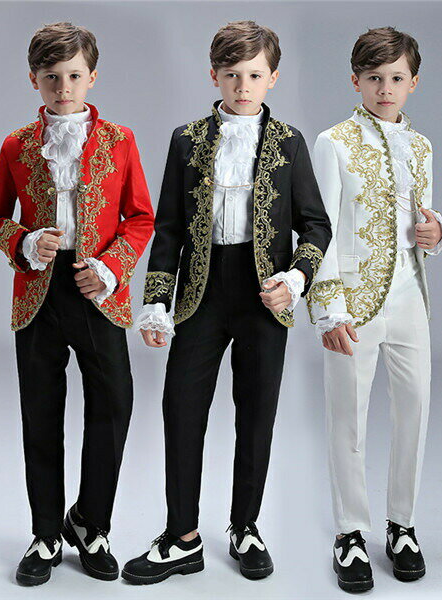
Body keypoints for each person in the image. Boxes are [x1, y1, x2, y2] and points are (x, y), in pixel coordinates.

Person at [121, 20, 332, 584]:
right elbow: (168, 228)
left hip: (264, 295)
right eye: (232, 74)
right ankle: (181, 536)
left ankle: (245, 526)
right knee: (181, 409)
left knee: (256, 413)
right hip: (200, 292)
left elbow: (315, 225)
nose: (243, 86)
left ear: (273, 78)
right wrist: (157, 301)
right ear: (213, 75)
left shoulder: (289, 142)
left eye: (255, 75)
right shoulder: (186, 139)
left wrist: (296, 278)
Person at [0, 21, 154, 586]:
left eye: (74, 76)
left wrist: (110, 267)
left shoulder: (120, 140)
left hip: (96, 288)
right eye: (51, 77)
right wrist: (25, 241)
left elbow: (140, 217)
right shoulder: (16, 144)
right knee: (41, 411)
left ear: (92, 77)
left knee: (115, 403)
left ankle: (90, 522)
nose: (63, 87)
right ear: (34, 79)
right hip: (38, 292)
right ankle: (45, 533)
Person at [307, 26, 442, 593]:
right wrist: (329, 309)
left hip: (410, 298)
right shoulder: (333, 142)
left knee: (415, 411)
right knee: (348, 418)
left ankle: (402, 525)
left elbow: (423, 223)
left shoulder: (423, 146)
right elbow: (319, 231)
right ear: (356, 81)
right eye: (374, 78)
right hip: (353, 304)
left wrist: (437, 233)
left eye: (396, 78)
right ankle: (350, 531)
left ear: (414, 82)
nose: (385, 89)